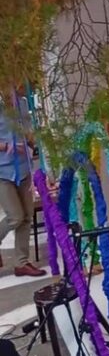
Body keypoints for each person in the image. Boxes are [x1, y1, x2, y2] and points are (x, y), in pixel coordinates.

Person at [0, 95, 45, 277]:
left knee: (26, 216)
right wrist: (6, 146)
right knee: (15, 216)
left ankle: (21, 263)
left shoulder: (23, 103)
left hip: (24, 168)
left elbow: (28, 133)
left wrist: (31, 143)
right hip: (3, 172)